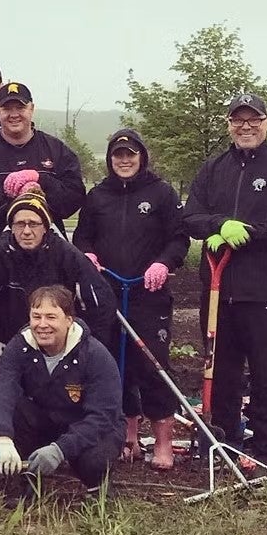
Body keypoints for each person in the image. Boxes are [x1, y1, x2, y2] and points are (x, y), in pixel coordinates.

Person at [182, 93, 267, 468]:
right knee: (219, 372)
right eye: (238, 120)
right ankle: (224, 442)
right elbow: (190, 217)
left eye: (254, 119)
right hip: (219, 292)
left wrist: (247, 232)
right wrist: (219, 226)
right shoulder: (213, 168)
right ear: (229, 124)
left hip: (265, 291)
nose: (246, 126)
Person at [72, 130, 188, 470]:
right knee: (111, 364)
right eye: (117, 155)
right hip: (107, 292)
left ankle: (163, 441)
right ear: (110, 159)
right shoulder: (98, 196)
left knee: (151, 364)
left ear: (142, 157)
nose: (124, 160)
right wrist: (88, 255)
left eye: (130, 154)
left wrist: (163, 263)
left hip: (147, 292)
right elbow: (82, 235)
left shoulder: (162, 193)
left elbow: (179, 238)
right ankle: (128, 435)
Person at [0, 285, 124, 506]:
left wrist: (61, 449)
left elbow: (102, 417)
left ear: (69, 320)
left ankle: (99, 490)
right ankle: (29, 485)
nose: (42, 325)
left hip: (88, 425)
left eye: (51, 317)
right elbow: (3, 390)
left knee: (94, 460)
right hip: (46, 419)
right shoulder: (18, 346)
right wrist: (2, 437)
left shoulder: (96, 355)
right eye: (36, 316)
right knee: (14, 414)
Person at [0, 82, 85, 255]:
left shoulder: (57, 150)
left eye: (20, 107)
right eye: (7, 108)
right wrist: (6, 195)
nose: (14, 114)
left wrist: (42, 183)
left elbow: (74, 199)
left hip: (49, 259)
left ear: (31, 108)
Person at [0, 192, 116, 345]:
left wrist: (84, 344)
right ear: (11, 227)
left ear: (45, 227)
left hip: (58, 345)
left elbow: (100, 304)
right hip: (8, 343)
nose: (26, 231)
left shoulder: (69, 256)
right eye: (19, 224)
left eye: (33, 224)